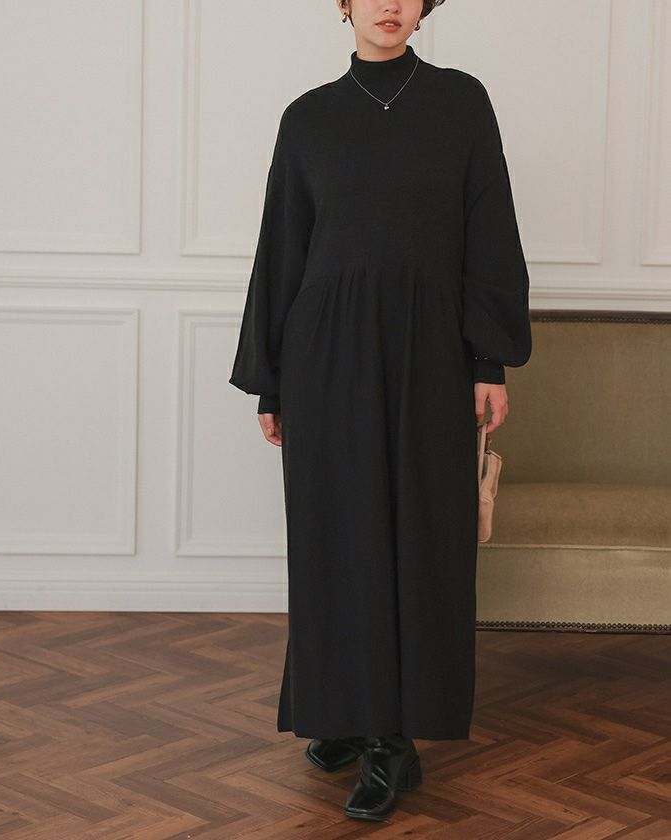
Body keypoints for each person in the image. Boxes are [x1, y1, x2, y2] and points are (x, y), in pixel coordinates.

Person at [229, 0, 532, 822]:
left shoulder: (461, 102)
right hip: (326, 357)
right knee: (337, 537)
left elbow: (489, 230)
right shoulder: (308, 118)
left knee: (421, 538)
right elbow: (282, 249)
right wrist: (273, 382)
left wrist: (489, 360)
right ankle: (344, 713)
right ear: (345, 5)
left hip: (431, 352)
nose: (389, 4)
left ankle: (394, 740)